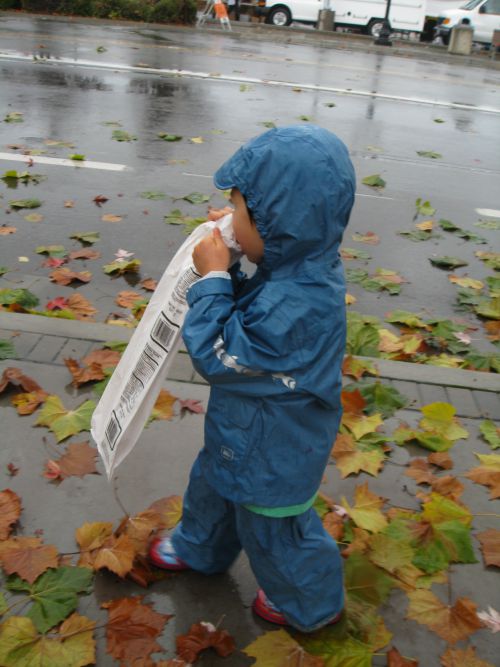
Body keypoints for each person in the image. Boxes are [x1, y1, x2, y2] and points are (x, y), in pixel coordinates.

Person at [149, 125, 356, 632]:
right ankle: (201, 547)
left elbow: (222, 354)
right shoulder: (290, 267)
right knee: (212, 491)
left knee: (273, 531)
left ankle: (310, 602)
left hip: (275, 455)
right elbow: (254, 309)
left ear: (279, 222)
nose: (229, 218)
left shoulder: (303, 303)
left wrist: (216, 277)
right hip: (241, 434)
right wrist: (241, 252)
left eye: (239, 210)